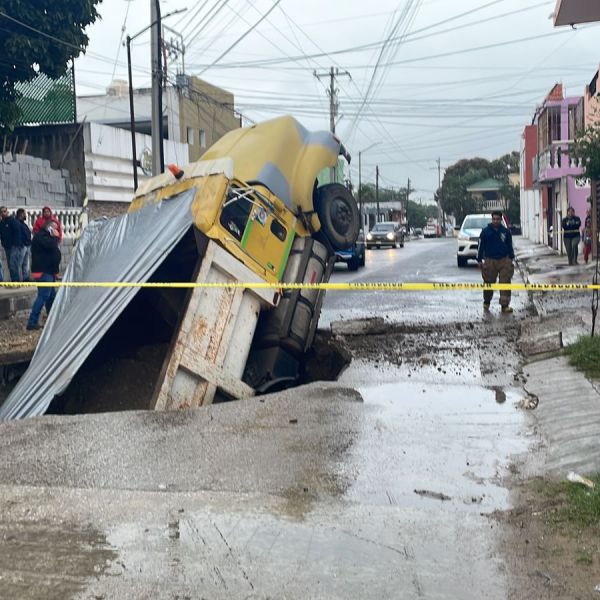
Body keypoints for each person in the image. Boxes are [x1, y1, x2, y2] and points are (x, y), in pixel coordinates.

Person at [477, 210, 515, 314]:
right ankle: (486, 302)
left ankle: (505, 305)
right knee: (488, 282)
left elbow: (510, 245)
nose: (496, 221)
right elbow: (480, 246)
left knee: (505, 282)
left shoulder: (506, 232)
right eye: (494, 219)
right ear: (491, 219)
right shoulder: (485, 232)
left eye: (498, 219)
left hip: (504, 260)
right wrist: (479, 260)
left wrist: (511, 258)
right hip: (490, 260)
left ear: (501, 219)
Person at [26, 220, 61, 331]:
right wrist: (55, 237)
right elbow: (50, 246)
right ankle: (32, 322)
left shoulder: (47, 237)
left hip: (49, 272)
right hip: (43, 272)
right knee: (43, 296)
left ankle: (51, 318)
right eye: (54, 228)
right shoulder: (41, 236)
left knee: (50, 296)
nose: (56, 231)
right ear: (49, 227)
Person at [10, 208, 32, 282]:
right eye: (25, 214)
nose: (25, 215)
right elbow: (18, 234)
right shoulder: (16, 222)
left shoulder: (22, 223)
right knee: (17, 264)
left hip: (26, 246)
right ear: (21, 214)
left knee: (25, 264)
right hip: (20, 247)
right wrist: (21, 244)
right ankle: (16, 280)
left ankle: (26, 278)